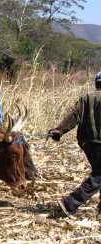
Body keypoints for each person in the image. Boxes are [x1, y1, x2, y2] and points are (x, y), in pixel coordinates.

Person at [49, 72, 101, 219]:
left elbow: (74, 117)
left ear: (96, 84)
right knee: (98, 176)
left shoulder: (86, 98)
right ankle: (70, 203)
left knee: (99, 172)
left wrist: (59, 130)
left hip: (88, 144)